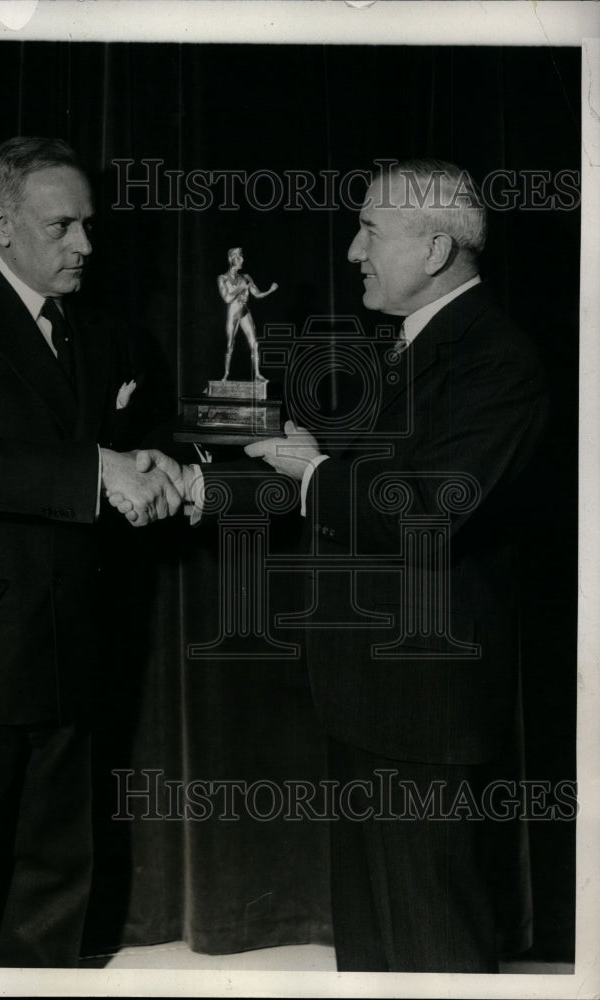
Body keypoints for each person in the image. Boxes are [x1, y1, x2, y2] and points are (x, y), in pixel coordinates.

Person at [119, 159, 550, 972]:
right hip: (373, 701)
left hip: (425, 713)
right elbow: (331, 483)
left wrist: (312, 471)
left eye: (369, 232)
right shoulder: (419, 347)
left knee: (431, 950)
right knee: (380, 952)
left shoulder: (496, 359)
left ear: (432, 249)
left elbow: (422, 507)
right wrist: (198, 488)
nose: (352, 251)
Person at [0, 136, 182, 968]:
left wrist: (155, 458)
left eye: (88, 225)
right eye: (62, 227)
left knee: (60, 878)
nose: (85, 245)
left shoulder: (105, 331)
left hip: (76, 643)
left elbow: (138, 433)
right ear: (0, 225)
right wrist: (99, 470)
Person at [217, 247, 278, 382]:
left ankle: (257, 374)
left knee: (254, 343)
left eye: (241, 256)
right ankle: (226, 374)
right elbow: (227, 299)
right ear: (230, 259)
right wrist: (241, 287)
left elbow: (257, 294)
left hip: (244, 312)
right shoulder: (222, 278)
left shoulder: (246, 277)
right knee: (229, 345)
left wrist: (270, 290)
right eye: (238, 256)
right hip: (232, 313)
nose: (241, 259)